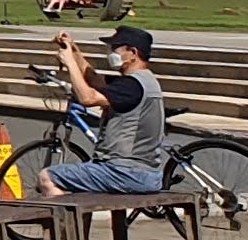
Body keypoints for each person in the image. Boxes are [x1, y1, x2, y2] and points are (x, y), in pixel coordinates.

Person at [47, 26, 173, 193]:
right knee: (83, 182)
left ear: (133, 53)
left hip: (125, 172)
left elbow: (87, 98)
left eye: (115, 48)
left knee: (47, 177)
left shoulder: (132, 86)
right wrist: (74, 50)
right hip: (144, 173)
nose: (110, 52)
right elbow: (95, 81)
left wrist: (70, 63)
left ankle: (62, 211)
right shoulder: (143, 81)